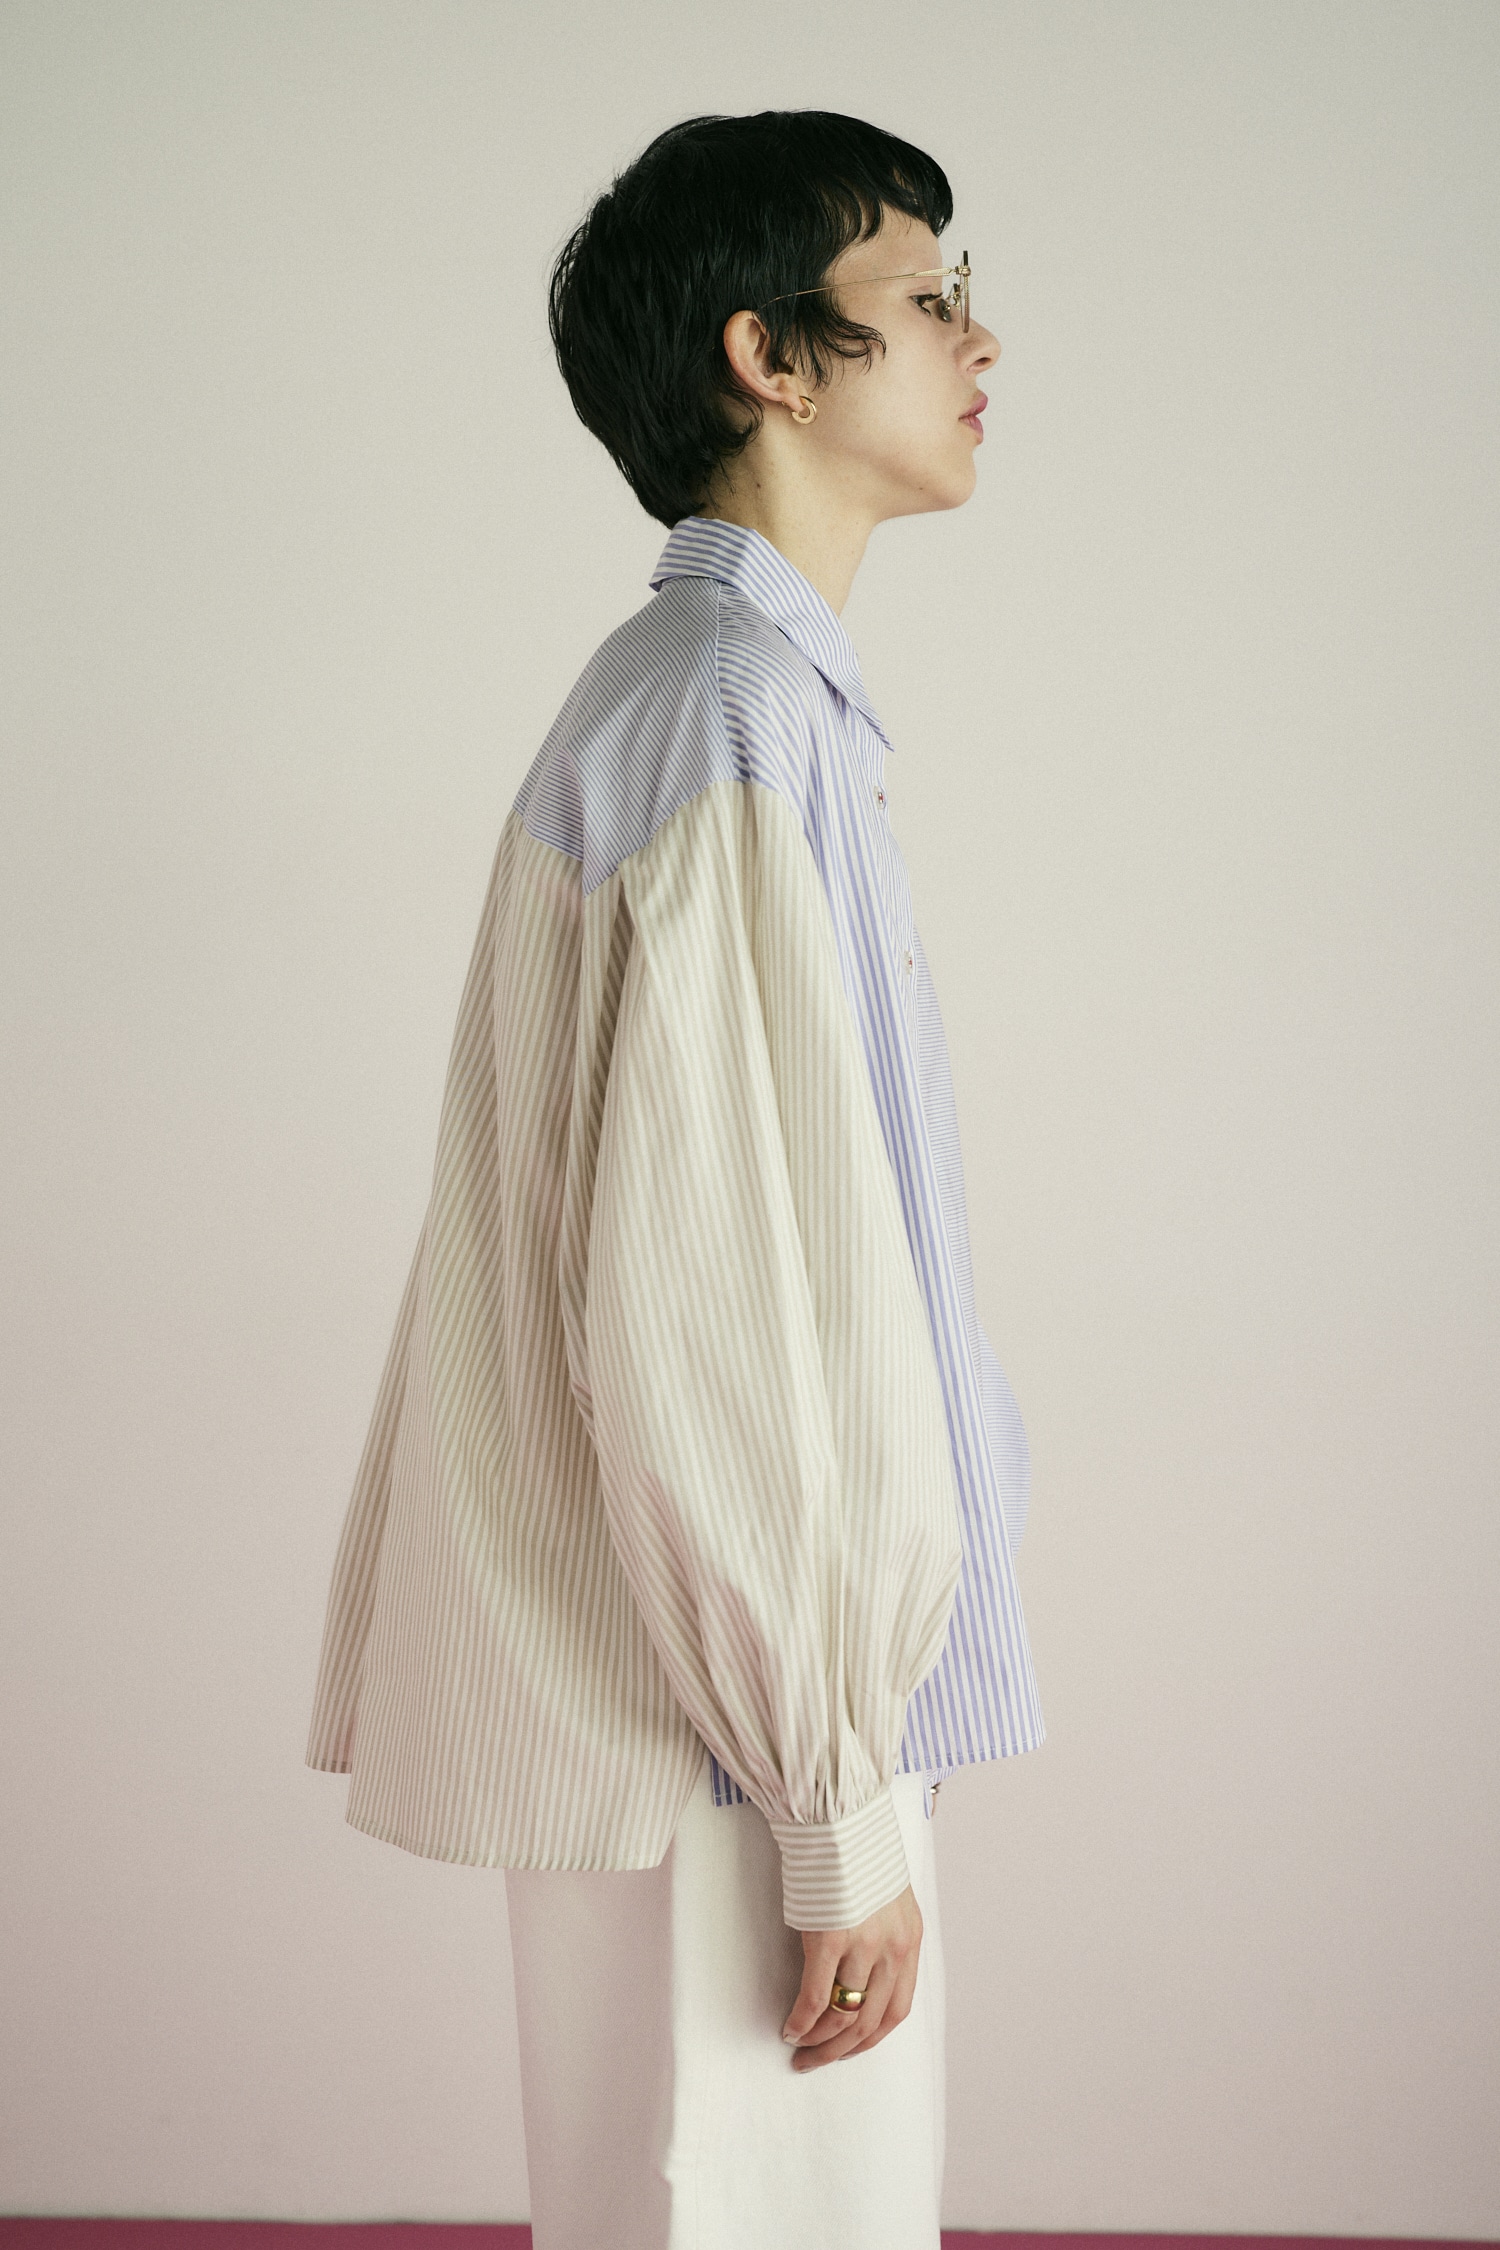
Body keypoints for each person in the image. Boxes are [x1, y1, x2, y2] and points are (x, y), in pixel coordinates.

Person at [306, 108, 1043, 2250]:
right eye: (929, 295)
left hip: (716, 1711)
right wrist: (829, 1798)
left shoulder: (726, 701)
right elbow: (716, 1328)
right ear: (769, 355)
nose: (986, 340)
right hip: (724, 1734)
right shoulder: (725, 715)